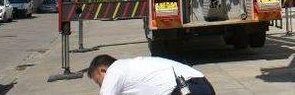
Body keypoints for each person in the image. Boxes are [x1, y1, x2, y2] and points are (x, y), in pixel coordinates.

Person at [87, 54, 215, 95]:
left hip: (187, 88)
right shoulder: (130, 69)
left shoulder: (114, 70)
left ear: (103, 70)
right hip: (200, 84)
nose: (101, 86)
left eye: (99, 82)